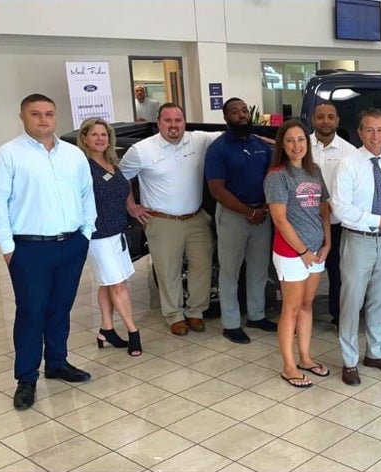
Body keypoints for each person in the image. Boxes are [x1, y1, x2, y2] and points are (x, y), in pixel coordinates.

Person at [0, 94, 97, 410]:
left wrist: (86, 233)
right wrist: (8, 249)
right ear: (22, 117)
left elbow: (87, 195)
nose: (43, 119)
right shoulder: (7, 156)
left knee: (61, 308)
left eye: (48, 113)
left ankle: (57, 362)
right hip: (29, 249)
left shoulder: (74, 155)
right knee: (32, 312)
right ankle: (26, 378)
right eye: (35, 114)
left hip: (71, 244)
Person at [120, 103, 219, 336]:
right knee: (168, 270)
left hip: (196, 219)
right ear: (158, 123)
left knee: (202, 267)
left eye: (178, 120)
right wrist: (132, 206)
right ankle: (174, 315)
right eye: (168, 120)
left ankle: (196, 312)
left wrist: (275, 142)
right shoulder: (141, 149)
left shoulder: (198, 140)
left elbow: (234, 135)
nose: (174, 125)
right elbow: (120, 178)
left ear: (184, 122)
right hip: (162, 221)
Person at [332, 108, 381, 386]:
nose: (376, 135)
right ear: (360, 132)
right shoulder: (349, 164)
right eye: (369, 130)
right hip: (357, 241)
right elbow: (339, 209)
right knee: (351, 304)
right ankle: (349, 361)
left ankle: (375, 353)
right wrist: (378, 220)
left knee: (379, 301)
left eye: (380, 130)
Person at [266, 120, 332, 387]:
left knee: (307, 305)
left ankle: (305, 357)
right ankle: (288, 365)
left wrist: (327, 242)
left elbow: (324, 208)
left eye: (301, 139)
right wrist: (303, 251)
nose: (297, 145)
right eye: (291, 140)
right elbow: (280, 220)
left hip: (316, 251)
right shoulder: (276, 175)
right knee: (291, 308)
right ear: (283, 144)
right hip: (292, 252)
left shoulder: (314, 171)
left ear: (308, 142)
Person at [205, 97, 277, 344]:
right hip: (233, 217)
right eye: (235, 112)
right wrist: (249, 212)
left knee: (258, 270)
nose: (242, 114)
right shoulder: (218, 148)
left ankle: (256, 316)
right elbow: (217, 190)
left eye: (244, 110)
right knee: (230, 272)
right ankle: (231, 323)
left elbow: (272, 177)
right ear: (226, 118)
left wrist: (264, 208)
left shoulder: (261, 145)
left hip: (262, 215)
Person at [77, 118, 142, 356]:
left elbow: (123, 192)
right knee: (118, 284)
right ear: (84, 138)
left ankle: (106, 329)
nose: (100, 138)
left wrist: (133, 208)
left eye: (103, 134)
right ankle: (133, 331)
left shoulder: (112, 164)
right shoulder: (82, 167)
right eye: (94, 134)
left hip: (118, 231)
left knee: (108, 282)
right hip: (98, 235)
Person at [310, 102, 358, 327]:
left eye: (330, 117)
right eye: (321, 116)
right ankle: (301, 317)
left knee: (338, 272)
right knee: (304, 272)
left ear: (338, 121)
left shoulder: (350, 152)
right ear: (313, 119)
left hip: (338, 223)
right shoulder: (302, 145)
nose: (325, 121)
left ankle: (338, 316)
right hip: (306, 222)